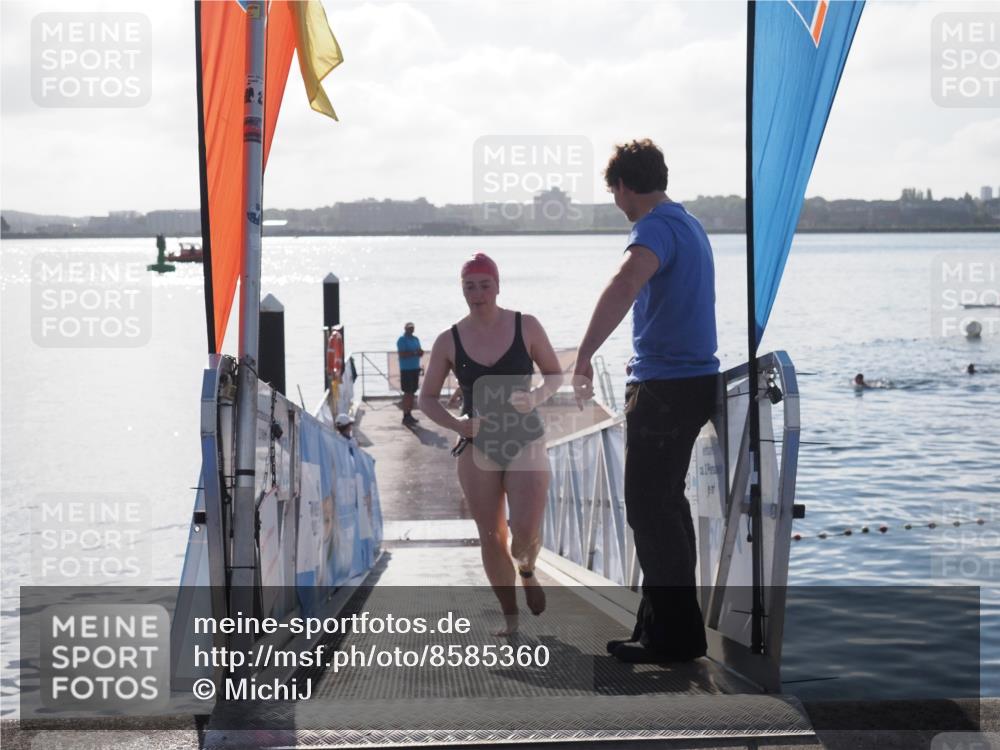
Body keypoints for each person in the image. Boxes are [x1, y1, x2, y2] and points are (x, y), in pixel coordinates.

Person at [573, 139, 719, 664]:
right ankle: (665, 630)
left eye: (614, 192)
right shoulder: (689, 224)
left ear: (624, 186)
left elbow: (626, 282)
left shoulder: (654, 227)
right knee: (666, 507)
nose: (617, 202)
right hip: (694, 381)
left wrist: (584, 355)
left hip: (664, 387)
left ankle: (674, 637)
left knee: (648, 509)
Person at [419, 252, 563, 635]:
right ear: (462, 290)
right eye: (470, 286)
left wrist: (535, 396)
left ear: (498, 286)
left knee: (524, 529)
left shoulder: (526, 325)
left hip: (524, 437)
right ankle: (510, 617)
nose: (478, 294)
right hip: (477, 443)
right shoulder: (449, 339)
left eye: (485, 285)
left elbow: (554, 374)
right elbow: (426, 399)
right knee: (491, 534)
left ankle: (527, 570)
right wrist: (457, 424)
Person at [397, 322, 424, 426]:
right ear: (405, 329)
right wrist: (414, 353)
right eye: (409, 328)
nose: (411, 329)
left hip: (415, 368)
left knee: (413, 392)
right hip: (406, 369)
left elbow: (420, 351)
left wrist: (419, 352)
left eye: (412, 328)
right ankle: (405, 415)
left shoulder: (416, 339)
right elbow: (402, 354)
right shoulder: (402, 340)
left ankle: (410, 414)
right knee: (407, 392)